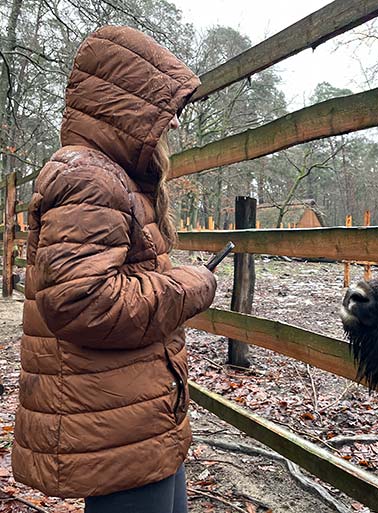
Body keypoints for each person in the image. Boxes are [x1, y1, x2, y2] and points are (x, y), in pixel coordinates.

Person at [11, 26, 217, 513]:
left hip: (135, 411)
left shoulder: (113, 177)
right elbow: (83, 301)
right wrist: (189, 285)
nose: (168, 128)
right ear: (126, 106)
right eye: (162, 111)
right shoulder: (88, 177)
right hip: (110, 420)